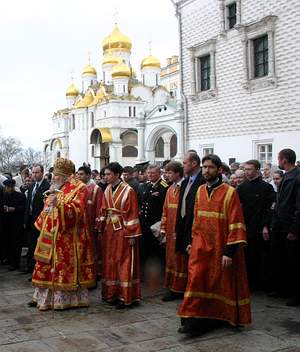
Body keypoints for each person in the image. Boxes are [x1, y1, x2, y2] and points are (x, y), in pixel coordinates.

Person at [178, 154, 251, 335]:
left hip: (221, 248)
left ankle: (219, 317)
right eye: (204, 167)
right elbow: (196, 219)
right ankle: (192, 320)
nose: (206, 170)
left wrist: (229, 251)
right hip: (201, 247)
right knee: (196, 280)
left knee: (220, 283)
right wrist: (190, 241)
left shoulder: (229, 192)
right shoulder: (201, 190)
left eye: (210, 167)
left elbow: (236, 224)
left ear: (219, 170)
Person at [29, 158, 96, 311]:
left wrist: (58, 205)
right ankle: (44, 297)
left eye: (57, 175)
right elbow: (48, 205)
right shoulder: (56, 186)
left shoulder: (80, 188)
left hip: (70, 238)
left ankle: (65, 300)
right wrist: (44, 216)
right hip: (50, 234)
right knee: (45, 265)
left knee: (63, 267)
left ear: (65, 175)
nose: (54, 177)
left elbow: (77, 212)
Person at [100, 162, 141, 309]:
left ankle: (126, 297)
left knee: (124, 261)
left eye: (108, 174)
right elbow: (104, 210)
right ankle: (112, 293)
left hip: (124, 231)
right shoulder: (107, 190)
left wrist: (131, 235)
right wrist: (100, 225)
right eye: (105, 174)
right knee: (111, 261)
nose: (105, 177)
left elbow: (132, 214)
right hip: (110, 231)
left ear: (117, 175)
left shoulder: (128, 191)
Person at [237, 160, 275, 290]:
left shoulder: (266, 187)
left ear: (257, 170)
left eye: (250, 169)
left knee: (259, 256)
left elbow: (269, 208)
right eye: (246, 169)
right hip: (245, 225)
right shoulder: (242, 187)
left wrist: (265, 225)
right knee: (247, 256)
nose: (247, 172)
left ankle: (259, 283)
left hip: (259, 227)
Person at [270, 149, 300, 306]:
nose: (278, 162)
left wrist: (294, 229)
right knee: (281, 260)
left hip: (290, 227)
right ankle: (283, 289)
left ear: (284, 160)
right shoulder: (287, 176)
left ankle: (296, 294)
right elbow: (279, 202)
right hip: (280, 227)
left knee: (294, 262)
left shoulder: (297, 177)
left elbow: (298, 206)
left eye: (279, 159)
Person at [160, 161, 188, 301]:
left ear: (178, 173)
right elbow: (165, 210)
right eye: (166, 172)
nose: (167, 175)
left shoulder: (185, 188)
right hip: (170, 230)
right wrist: (163, 228)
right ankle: (172, 286)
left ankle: (179, 288)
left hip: (180, 230)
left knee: (179, 259)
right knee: (170, 257)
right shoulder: (170, 189)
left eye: (170, 172)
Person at [139, 165, 169, 269]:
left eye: (153, 173)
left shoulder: (164, 186)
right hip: (145, 224)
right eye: (148, 173)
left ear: (159, 173)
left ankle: (158, 273)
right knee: (146, 248)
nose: (150, 175)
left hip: (156, 223)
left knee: (157, 250)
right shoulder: (146, 186)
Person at [175, 152, 205, 256]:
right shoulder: (185, 181)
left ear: (194, 163)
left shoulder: (204, 181)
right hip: (184, 226)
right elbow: (181, 206)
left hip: (195, 228)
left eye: (184, 163)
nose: (182, 166)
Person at [23, 164, 50, 274]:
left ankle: (36, 270)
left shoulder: (47, 187)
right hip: (30, 219)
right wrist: (25, 220)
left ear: (42, 173)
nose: (34, 175)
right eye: (33, 173)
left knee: (37, 245)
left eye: (37, 172)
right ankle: (29, 268)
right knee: (31, 244)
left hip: (40, 221)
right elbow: (28, 204)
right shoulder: (32, 185)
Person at [77, 166, 103, 277]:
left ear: (88, 175)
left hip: (91, 226)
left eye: (81, 174)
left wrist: (98, 226)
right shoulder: (77, 188)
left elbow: (99, 209)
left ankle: (94, 274)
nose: (79, 176)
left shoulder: (96, 189)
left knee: (92, 250)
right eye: (78, 174)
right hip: (79, 226)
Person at [2, 178, 26, 270]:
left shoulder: (21, 196)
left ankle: (15, 263)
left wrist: (14, 209)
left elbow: (24, 208)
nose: (8, 189)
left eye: (10, 187)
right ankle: (8, 259)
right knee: (8, 242)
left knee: (16, 244)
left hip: (16, 224)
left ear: (13, 187)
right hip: (6, 223)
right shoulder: (4, 196)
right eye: (7, 187)